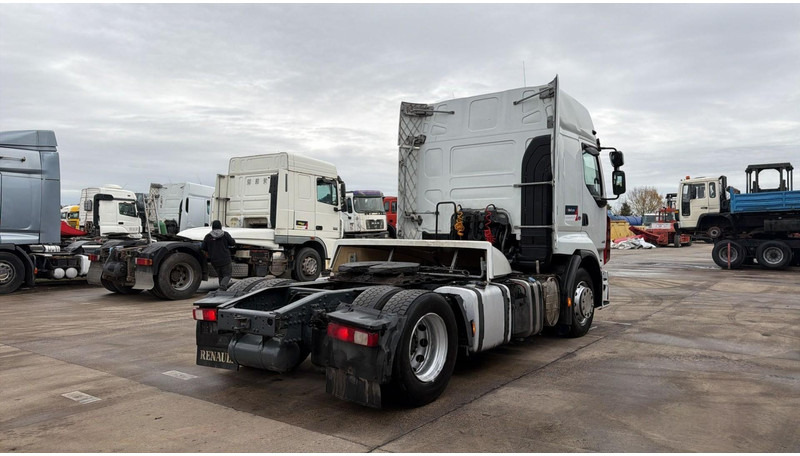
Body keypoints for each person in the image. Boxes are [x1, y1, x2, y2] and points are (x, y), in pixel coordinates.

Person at [202, 220, 236, 291]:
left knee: (220, 275)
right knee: (227, 275)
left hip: (214, 260)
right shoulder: (225, 234)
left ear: (212, 227)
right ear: (220, 226)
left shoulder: (208, 236)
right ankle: (223, 287)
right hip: (225, 259)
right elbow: (232, 243)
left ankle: (222, 290)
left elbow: (203, 247)